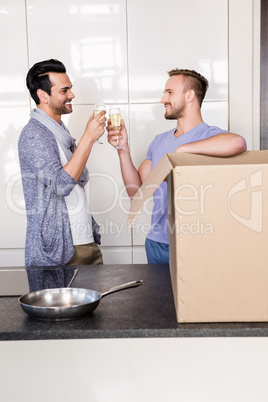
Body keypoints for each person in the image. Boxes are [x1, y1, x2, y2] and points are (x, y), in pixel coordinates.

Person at [107, 68, 247, 264]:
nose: (163, 99)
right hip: (157, 243)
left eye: (169, 92)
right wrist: (122, 148)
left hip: (196, 242)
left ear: (189, 95)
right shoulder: (159, 142)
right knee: (158, 296)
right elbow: (136, 193)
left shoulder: (209, 136)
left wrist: (182, 151)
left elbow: (238, 143)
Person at [18, 59, 106, 267]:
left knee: (101, 300)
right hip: (59, 251)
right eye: (64, 90)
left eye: (71, 89)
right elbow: (61, 185)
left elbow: (79, 178)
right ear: (43, 96)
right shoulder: (34, 134)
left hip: (86, 242)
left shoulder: (60, 132)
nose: (72, 95)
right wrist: (88, 137)